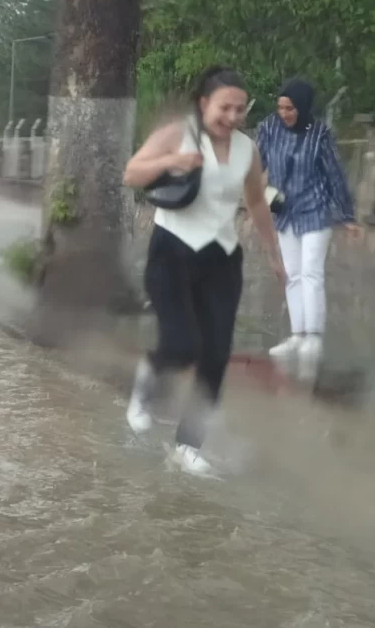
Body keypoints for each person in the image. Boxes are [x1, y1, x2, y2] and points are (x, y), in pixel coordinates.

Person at [122, 66, 285, 475]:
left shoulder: (247, 149)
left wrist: (274, 253)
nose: (232, 116)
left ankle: (187, 446)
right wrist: (173, 160)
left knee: (215, 355)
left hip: (221, 258)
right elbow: (132, 173)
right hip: (171, 252)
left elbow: (256, 202)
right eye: (224, 108)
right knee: (181, 344)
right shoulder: (179, 133)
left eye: (240, 109)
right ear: (203, 104)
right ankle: (148, 380)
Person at [256, 78, 362, 379]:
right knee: (291, 274)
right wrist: (254, 195)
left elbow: (334, 175)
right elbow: (255, 165)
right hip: (284, 212)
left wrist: (347, 216)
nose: (284, 113)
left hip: (315, 210)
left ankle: (313, 337)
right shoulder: (268, 129)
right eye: (280, 107)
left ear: (302, 107)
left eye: (290, 108)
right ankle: (297, 335)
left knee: (311, 272)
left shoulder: (319, 135)